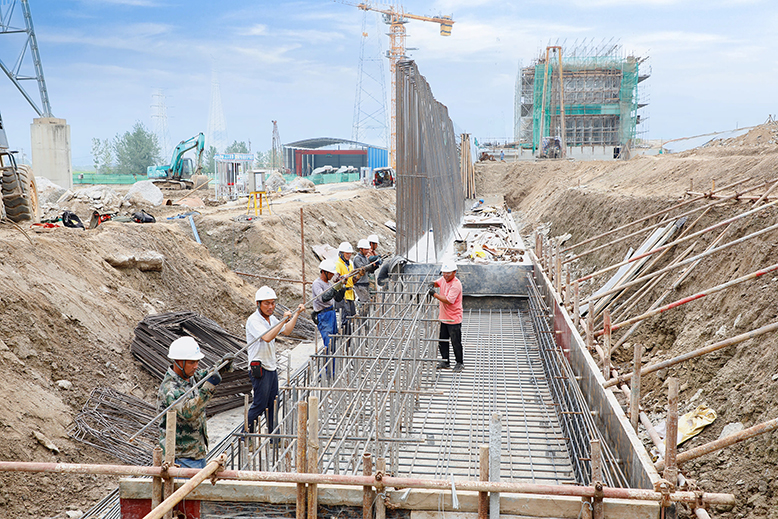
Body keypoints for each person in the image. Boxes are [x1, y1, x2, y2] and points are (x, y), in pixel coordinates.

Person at [157, 336, 233, 469]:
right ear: (179, 362)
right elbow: (188, 411)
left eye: (197, 362)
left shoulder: (189, 377)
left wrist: (221, 366)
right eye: (192, 362)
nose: (196, 366)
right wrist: (209, 387)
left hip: (196, 453)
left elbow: (205, 375)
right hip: (181, 458)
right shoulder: (170, 389)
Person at [246, 286, 304, 436]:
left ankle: (274, 437)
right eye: (267, 303)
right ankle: (245, 435)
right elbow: (267, 337)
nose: (270, 307)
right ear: (258, 304)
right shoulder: (254, 320)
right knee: (259, 405)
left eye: (273, 303)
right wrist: (282, 321)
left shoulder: (271, 319)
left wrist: (296, 314)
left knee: (273, 404)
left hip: (271, 367)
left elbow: (286, 330)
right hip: (259, 368)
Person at [429, 261, 464, 372]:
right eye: (444, 273)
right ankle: (445, 361)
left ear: (454, 272)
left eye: (448, 273)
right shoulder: (444, 279)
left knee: (455, 342)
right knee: (442, 341)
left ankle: (459, 362)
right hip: (443, 317)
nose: (445, 275)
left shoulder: (456, 284)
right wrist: (432, 284)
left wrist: (434, 294)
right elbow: (437, 283)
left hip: (453, 318)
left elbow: (449, 300)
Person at [311, 259, 339, 349]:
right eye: (330, 273)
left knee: (334, 340)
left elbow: (338, 298)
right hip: (324, 315)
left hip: (331, 313)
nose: (332, 275)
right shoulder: (317, 284)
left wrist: (341, 287)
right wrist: (335, 289)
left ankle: (333, 361)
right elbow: (323, 298)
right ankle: (329, 362)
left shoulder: (329, 284)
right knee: (329, 342)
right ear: (323, 272)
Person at [334, 241, 359, 336]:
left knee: (351, 319)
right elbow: (335, 280)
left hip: (350, 296)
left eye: (350, 253)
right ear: (341, 253)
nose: (349, 255)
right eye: (347, 253)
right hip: (342, 296)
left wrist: (358, 276)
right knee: (345, 321)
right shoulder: (338, 264)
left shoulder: (350, 265)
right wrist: (345, 276)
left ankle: (349, 342)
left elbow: (352, 281)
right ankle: (345, 342)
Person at [353, 239, 377, 312]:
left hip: (365, 283)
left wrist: (375, 266)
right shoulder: (357, 258)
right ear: (360, 249)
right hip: (360, 284)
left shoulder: (365, 257)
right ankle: (362, 321)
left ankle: (364, 319)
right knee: (365, 303)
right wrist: (372, 265)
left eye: (367, 249)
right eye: (365, 249)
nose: (367, 251)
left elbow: (368, 268)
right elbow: (364, 268)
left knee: (366, 303)